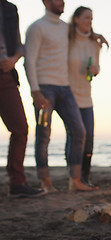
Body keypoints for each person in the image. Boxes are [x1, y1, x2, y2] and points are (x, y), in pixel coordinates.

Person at [24, 0, 94, 192]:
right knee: (44, 134)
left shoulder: (66, 28)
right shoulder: (37, 28)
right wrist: (35, 90)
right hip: (44, 89)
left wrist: (97, 36)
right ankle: (45, 183)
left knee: (79, 131)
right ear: (46, 2)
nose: (61, 2)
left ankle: (75, 181)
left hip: (65, 88)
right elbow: (29, 59)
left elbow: (84, 34)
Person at [0, 0, 45, 198]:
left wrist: (14, 58)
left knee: (20, 128)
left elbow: (19, 46)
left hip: (5, 75)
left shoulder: (10, 9)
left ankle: (17, 183)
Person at [67, 6, 107, 187]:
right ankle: (73, 177)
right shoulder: (67, 39)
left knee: (89, 136)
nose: (89, 21)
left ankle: (85, 176)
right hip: (68, 94)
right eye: (86, 18)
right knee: (76, 135)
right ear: (76, 19)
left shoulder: (94, 43)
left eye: (91, 18)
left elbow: (96, 68)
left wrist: (95, 70)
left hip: (86, 95)